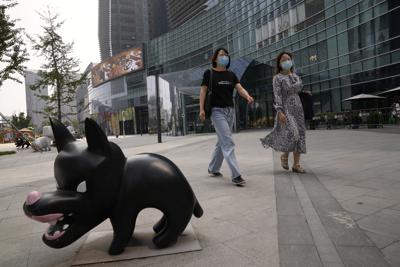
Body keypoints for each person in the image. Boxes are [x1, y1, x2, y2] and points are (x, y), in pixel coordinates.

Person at [199, 48, 254, 186]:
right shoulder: (209, 73)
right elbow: (203, 91)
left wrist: (247, 96)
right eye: (222, 55)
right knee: (228, 141)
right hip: (216, 111)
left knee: (221, 141)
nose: (225, 57)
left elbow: (239, 88)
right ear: (215, 58)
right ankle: (236, 175)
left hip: (230, 111)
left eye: (226, 55)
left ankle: (213, 168)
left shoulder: (231, 74)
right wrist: (201, 109)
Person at [260, 51, 307, 173]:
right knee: (293, 134)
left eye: (288, 59)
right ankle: (284, 156)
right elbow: (278, 95)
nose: (287, 61)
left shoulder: (295, 75)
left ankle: (296, 164)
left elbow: (299, 88)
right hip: (286, 109)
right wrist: (280, 111)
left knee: (300, 135)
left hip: (298, 108)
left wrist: (294, 80)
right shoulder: (277, 78)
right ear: (279, 63)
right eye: (284, 60)